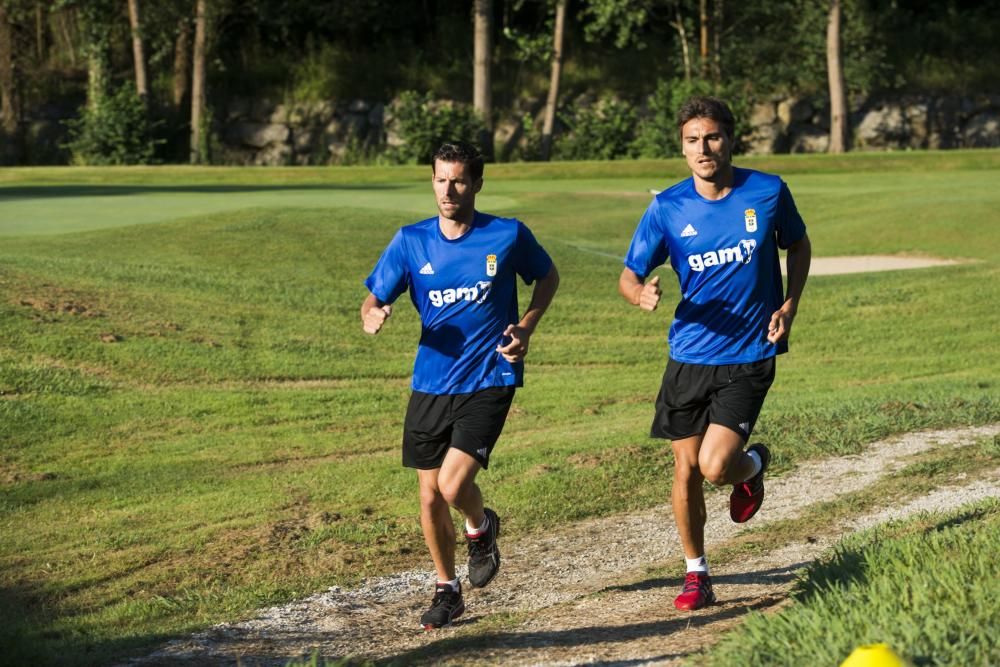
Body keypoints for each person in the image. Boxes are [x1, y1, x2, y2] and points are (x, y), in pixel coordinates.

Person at [618, 96, 811, 611]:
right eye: (691, 140)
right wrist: (639, 294)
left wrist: (789, 305)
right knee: (685, 470)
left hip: (749, 353)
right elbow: (629, 274)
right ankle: (696, 573)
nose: (703, 149)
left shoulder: (767, 191)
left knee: (714, 466)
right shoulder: (667, 207)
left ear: (730, 139)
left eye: (712, 137)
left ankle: (751, 466)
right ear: (682, 149)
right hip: (688, 356)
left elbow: (798, 244)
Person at [361, 141, 559, 629]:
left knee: (451, 485)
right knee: (428, 496)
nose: (447, 190)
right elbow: (372, 299)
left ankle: (480, 525)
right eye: (439, 179)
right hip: (431, 382)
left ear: (476, 184)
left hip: (490, 376)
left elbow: (547, 276)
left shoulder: (507, 235)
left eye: (458, 181)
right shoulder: (410, 241)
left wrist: (526, 328)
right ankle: (447, 589)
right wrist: (374, 313)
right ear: (431, 180)